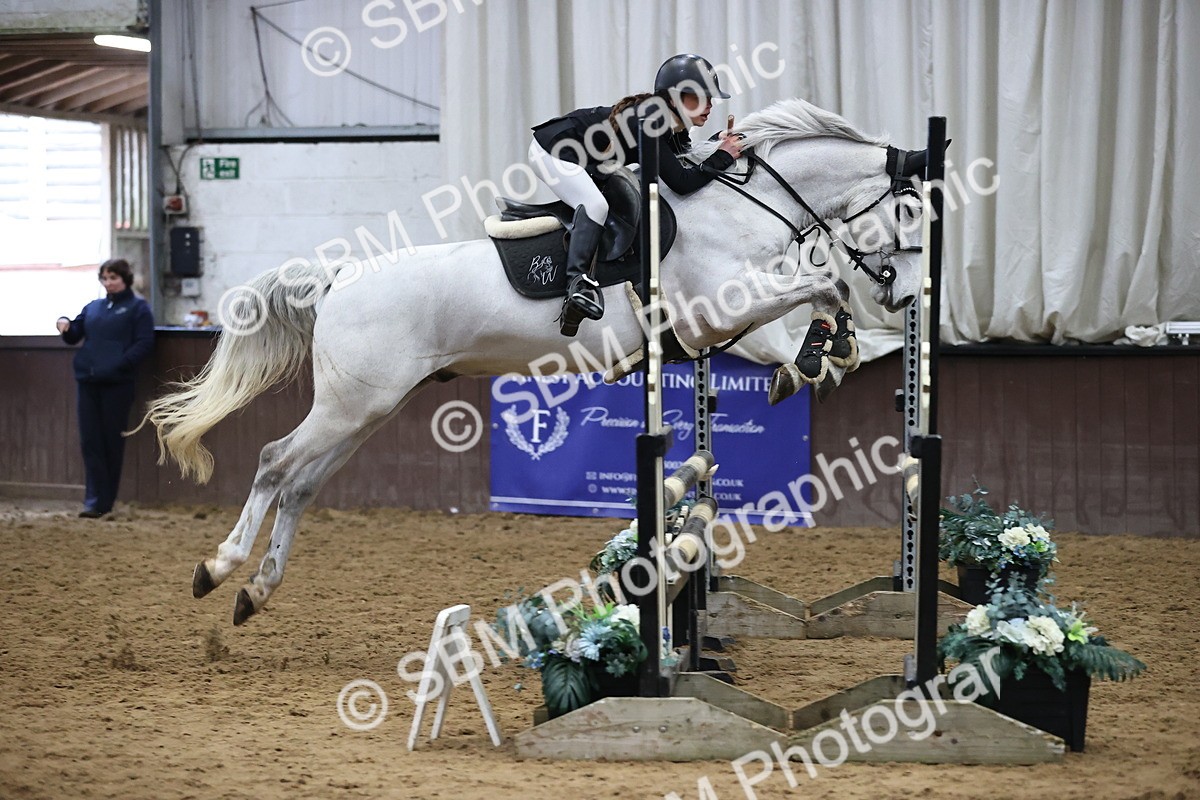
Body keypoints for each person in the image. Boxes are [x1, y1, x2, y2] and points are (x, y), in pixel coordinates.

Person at [529, 53, 744, 336]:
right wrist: (723, 157)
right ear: (675, 98)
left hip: (581, 154)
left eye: (711, 98)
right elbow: (681, 182)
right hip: (554, 149)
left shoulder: (670, 122)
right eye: (701, 97)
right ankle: (577, 285)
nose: (710, 104)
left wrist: (718, 145)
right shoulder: (652, 122)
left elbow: (683, 159)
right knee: (595, 205)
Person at [55, 259, 155, 518]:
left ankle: (104, 501)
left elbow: (144, 342)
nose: (108, 283)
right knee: (90, 441)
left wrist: (120, 364)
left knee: (110, 441)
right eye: (105, 278)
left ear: (125, 279)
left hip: (117, 384)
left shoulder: (138, 308)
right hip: (88, 381)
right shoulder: (93, 307)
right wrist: (65, 324)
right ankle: (93, 500)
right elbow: (75, 333)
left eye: (113, 278)